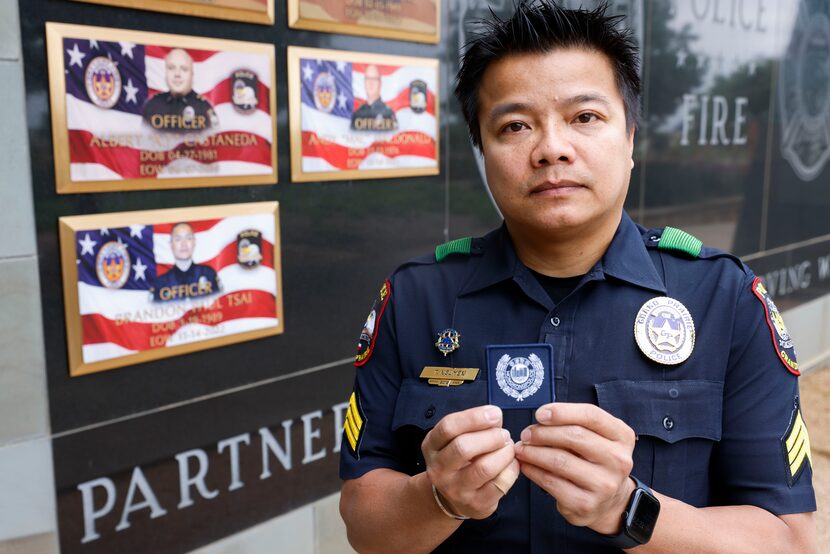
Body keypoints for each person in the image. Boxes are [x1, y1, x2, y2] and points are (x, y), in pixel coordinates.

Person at [338, 2, 816, 552]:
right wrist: (439, 498)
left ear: (631, 137)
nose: (552, 149)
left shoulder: (725, 300)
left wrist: (628, 509)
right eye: (515, 125)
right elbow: (363, 523)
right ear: (482, 153)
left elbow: (791, 540)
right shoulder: (415, 299)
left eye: (584, 117)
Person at [142, 48, 218, 133]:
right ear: (166, 73)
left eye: (184, 69)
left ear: (192, 74)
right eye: (171, 68)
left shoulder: (204, 109)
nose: (177, 74)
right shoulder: (152, 106)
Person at [152, 222, 220, 302]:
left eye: (188, 238)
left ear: (194, 242)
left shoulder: (209, 274)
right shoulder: (161, 283)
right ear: (171, 245)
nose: (183, 244)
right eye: (178, 239)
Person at [350, 64, 398, 131]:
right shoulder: (357, 114)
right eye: (368, 79)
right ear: (364, 83)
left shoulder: (389, 114)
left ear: (380, 83)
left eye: (374, 79)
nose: (370, 83)